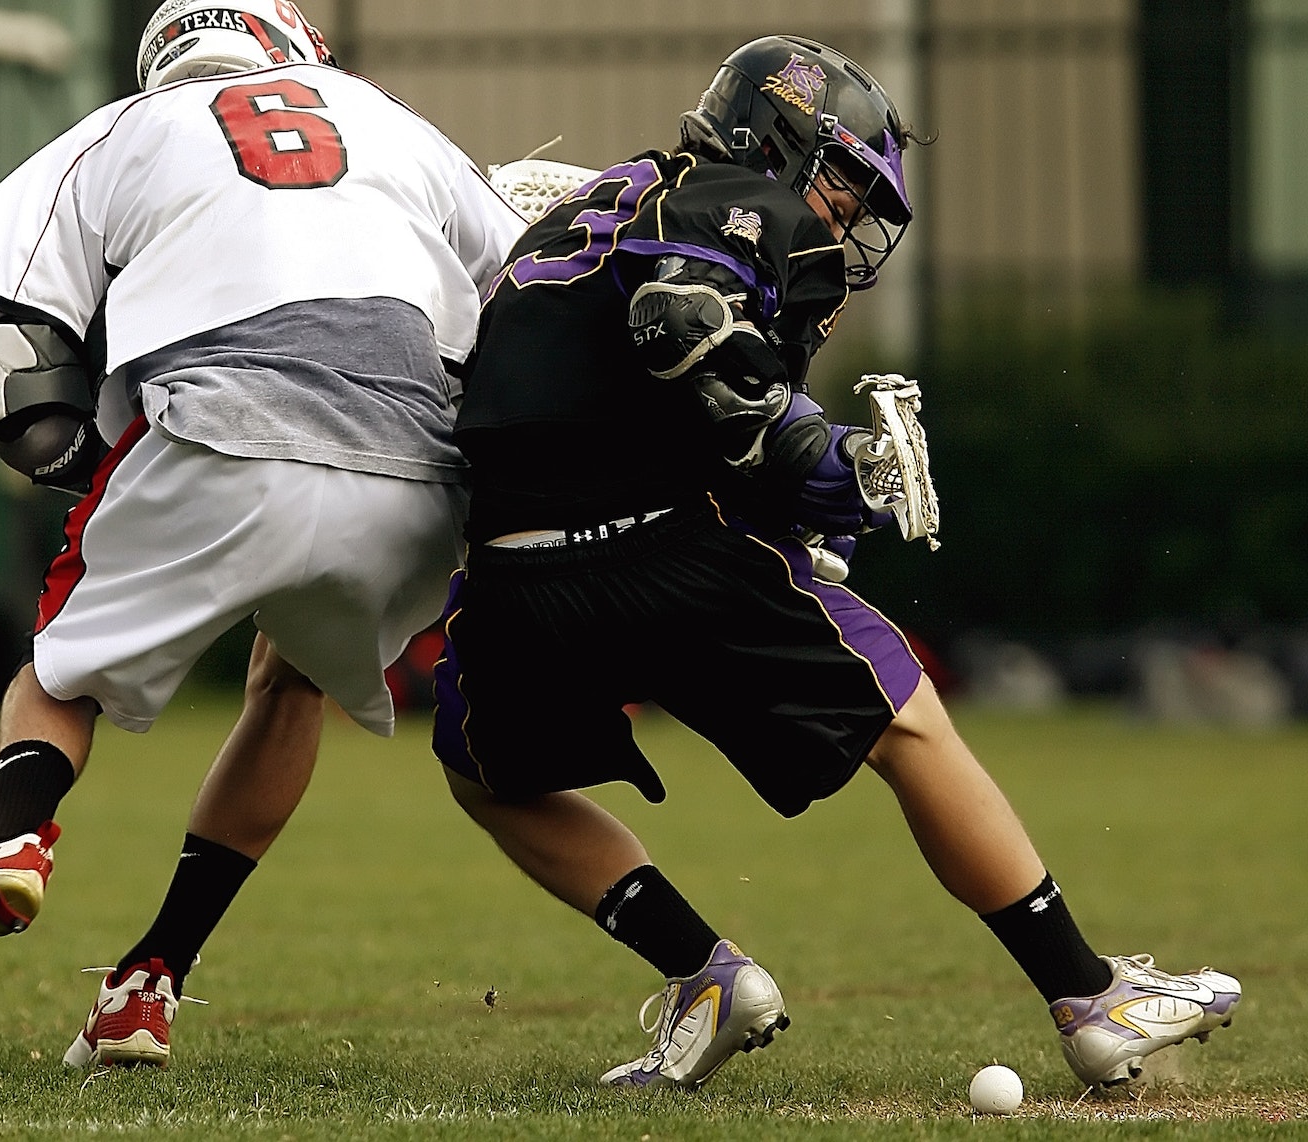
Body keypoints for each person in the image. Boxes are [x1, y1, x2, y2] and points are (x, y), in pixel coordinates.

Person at [431, 35, 1241, 1093]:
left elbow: (603, 377)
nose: (845, 217)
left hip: (515, 574)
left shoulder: (612, 203)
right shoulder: (732, 196)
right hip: (658, 543)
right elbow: (680, 320)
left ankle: (703, 974)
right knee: (903, 713)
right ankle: (1087, 994)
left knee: (489, 774)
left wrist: (794, 486)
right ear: (776, 137)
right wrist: (815, 451)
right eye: (842, 181)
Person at [0, 0, 526, 1070]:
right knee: (292, 683)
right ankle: (147, 981)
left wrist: (82, 468)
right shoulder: (387, 116)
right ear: (294, 48)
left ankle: (12, 839)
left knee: (59, 677)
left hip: (221, 425)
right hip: (414, 465)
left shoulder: (122, 128)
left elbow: (21, 359)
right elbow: (529, 291)